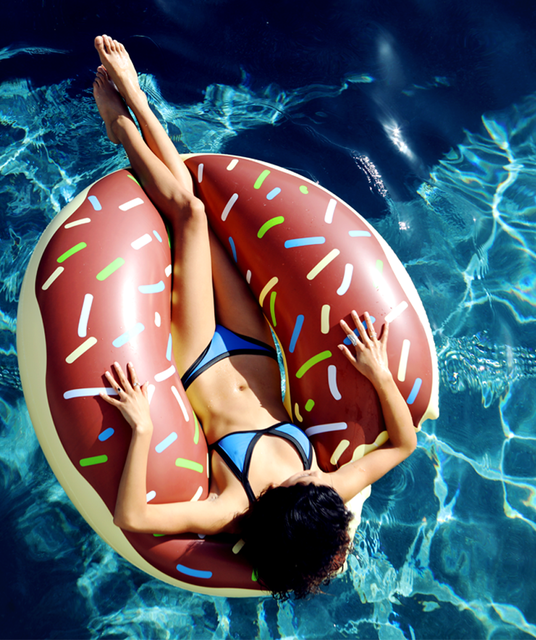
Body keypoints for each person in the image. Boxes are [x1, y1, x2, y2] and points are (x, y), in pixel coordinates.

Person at [92, 34, 417, 600]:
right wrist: (378, 371)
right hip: (253, 342)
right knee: (205, 218)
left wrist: (143, 427)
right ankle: (138, 105)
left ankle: (125, 122)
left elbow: (133, 518)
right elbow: (401, 445)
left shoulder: (232, 507)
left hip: (196, 360)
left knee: (191, 215)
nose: (306, 475)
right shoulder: (325, 489)